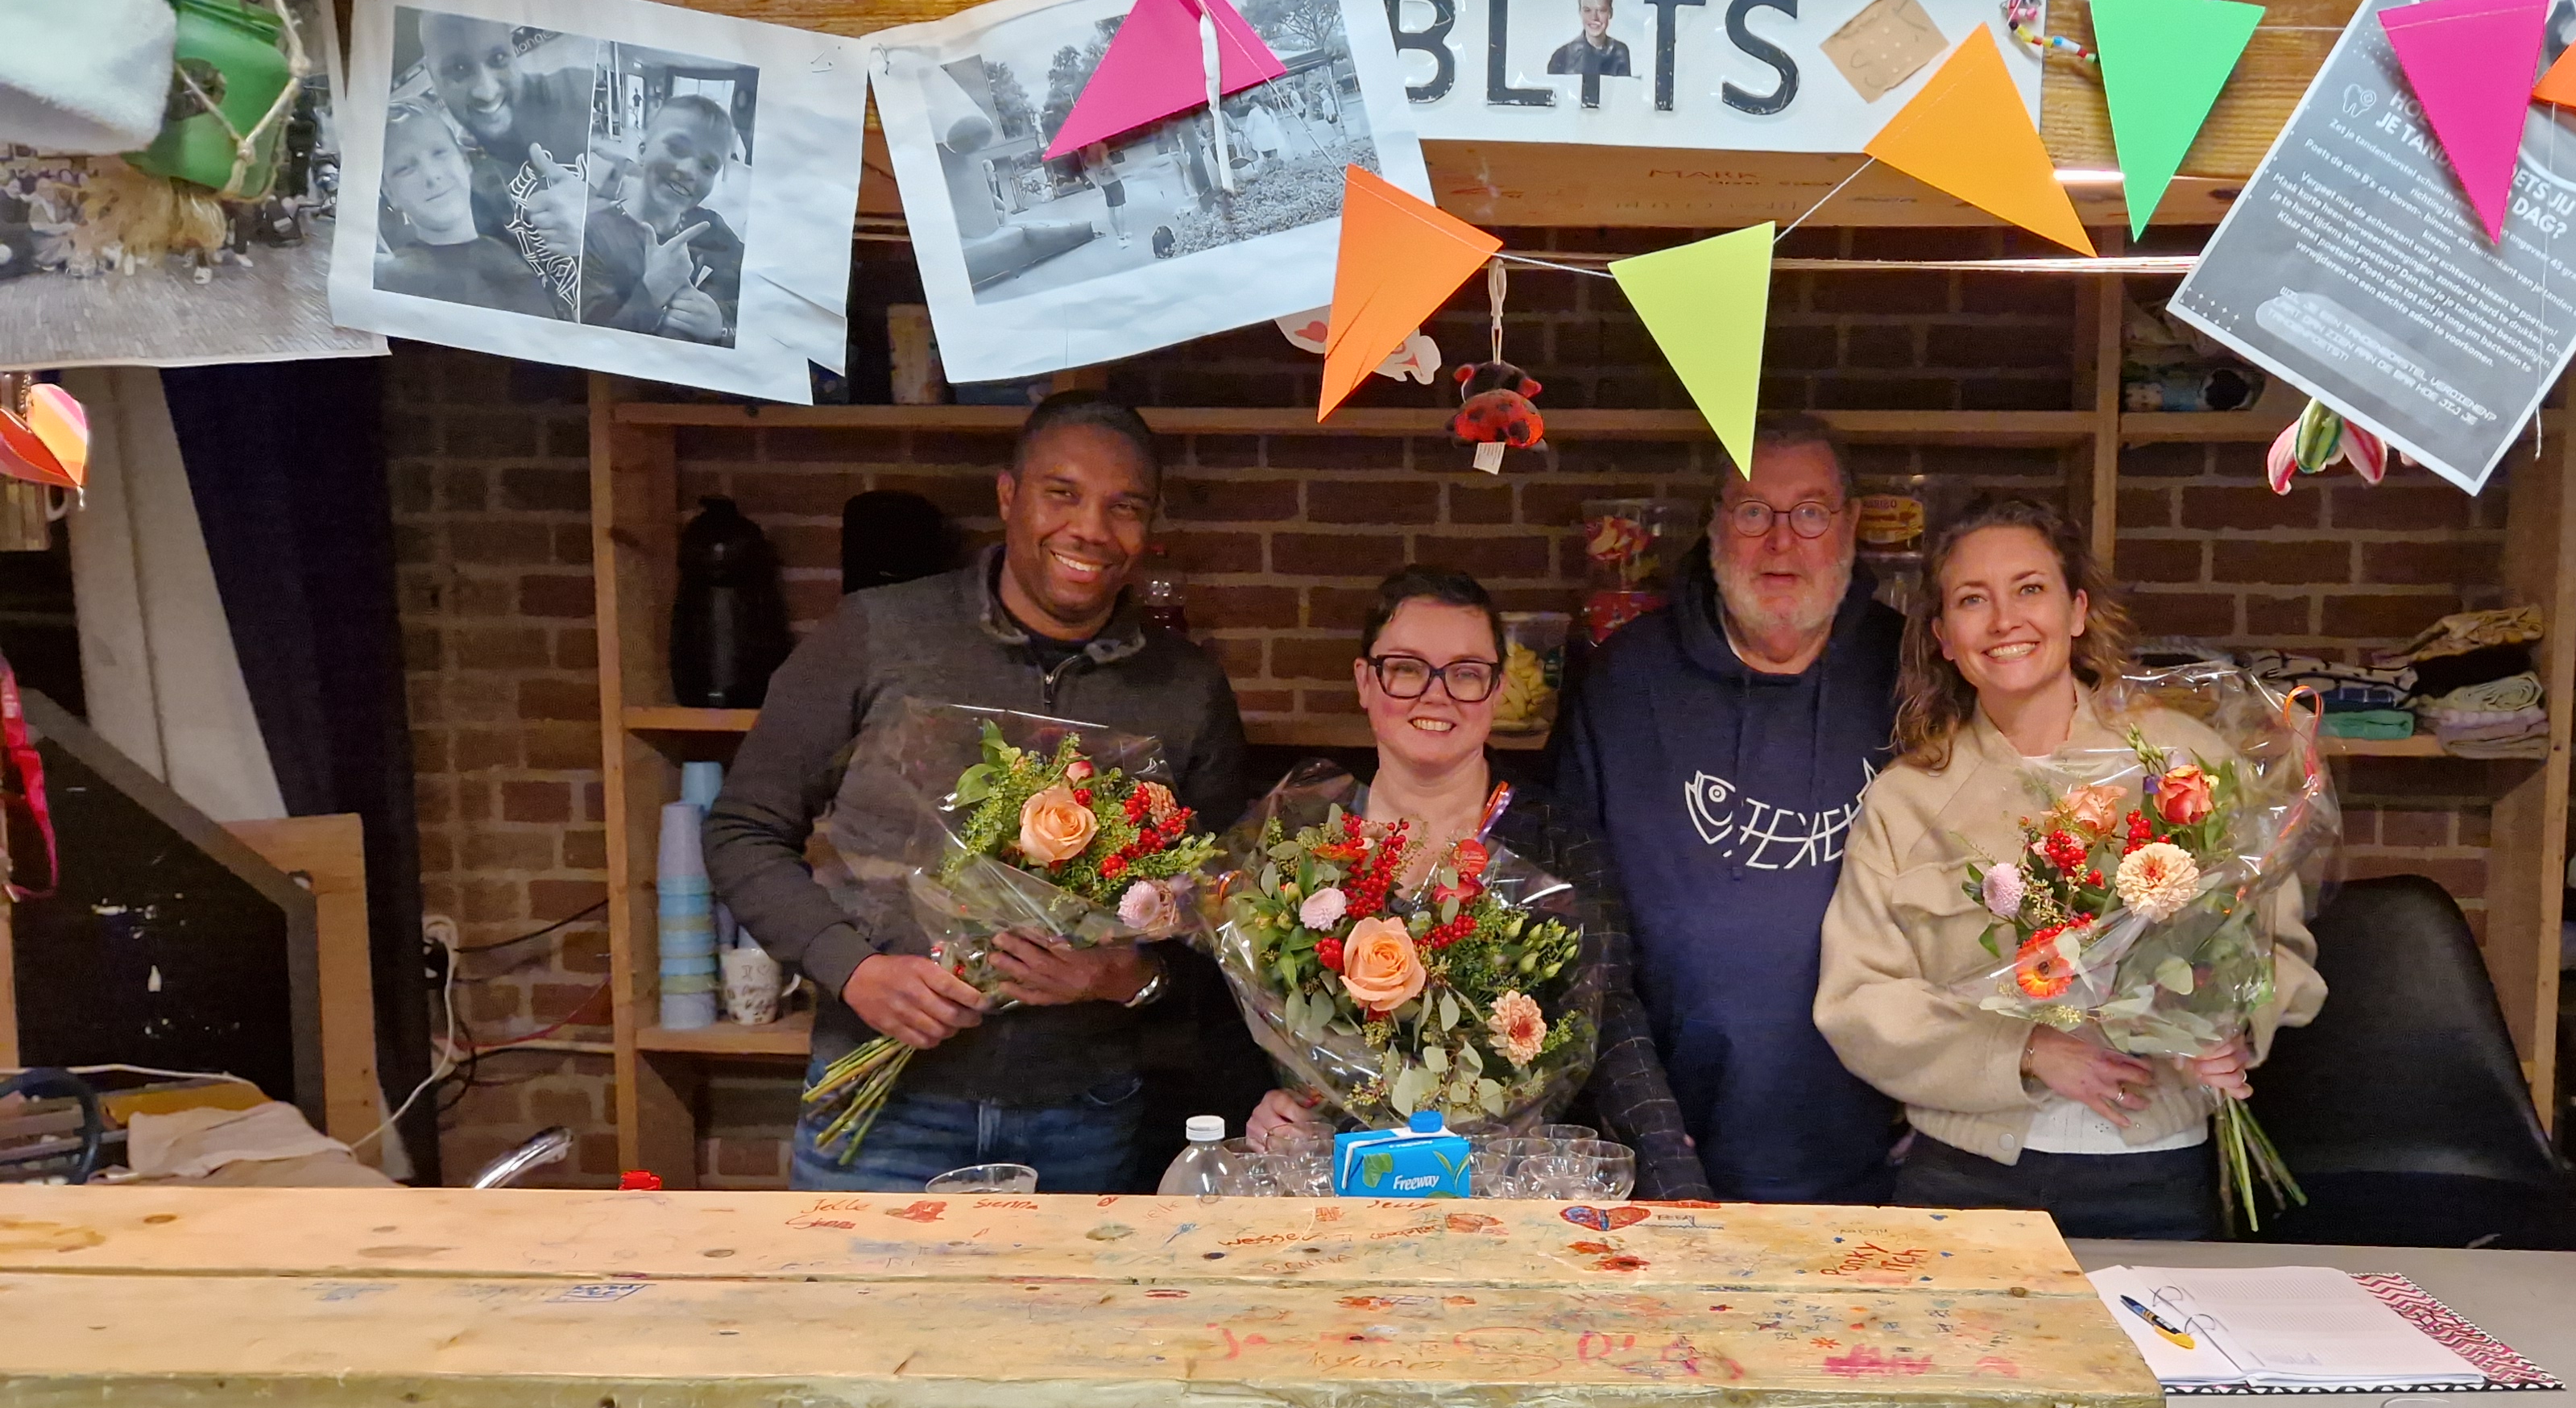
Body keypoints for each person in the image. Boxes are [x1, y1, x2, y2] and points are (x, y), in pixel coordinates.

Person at [704, 395, 1249, 1192]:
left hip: (1084, 1113)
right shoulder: (878, 633)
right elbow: (742, 829)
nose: (1091, 529)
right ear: (1007, 496)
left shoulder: (1185, 689)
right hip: (886, 1114)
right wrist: (854, 970)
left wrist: (1122, 976)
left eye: (1124, 507)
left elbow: (1221, 916)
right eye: (1062, 494)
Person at [1813, 495, 2322, 1240]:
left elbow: (2275, 944)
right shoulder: (1907, 800)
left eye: (2030, 589)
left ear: (2077, 610)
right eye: (1972, 600)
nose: (2004, 620)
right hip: (1967, 1174)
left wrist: (2230, 1029)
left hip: (2156, 1169)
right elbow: (1859, 1002)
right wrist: (2025, 1052)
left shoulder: (2183, 759)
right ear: (1944, 638)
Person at [1240, 567, 1708, 1196]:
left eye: (1465, 673)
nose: (1436, 695)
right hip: (1336, 1181)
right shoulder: (1300, 837)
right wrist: (1262, 1108)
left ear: (1497, 689)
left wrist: (1678, 1183)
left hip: (1513, 1189)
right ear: (1365, 681)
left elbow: (1611, 1024)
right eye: (1407, 668)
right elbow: (1244, 1027)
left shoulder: (1560, 841)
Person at [1551, 412, 1903, 1203]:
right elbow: (1577, 931)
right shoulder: (1623, 683)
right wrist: (1646, 1132)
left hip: (1887, 1155)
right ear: (1714, 524)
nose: (1780, 540)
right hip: (1668, 1156)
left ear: (1850, 524)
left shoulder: (1914, 670)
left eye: (1809, 512)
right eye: (1752, 511)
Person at [412, 11, 592, 284]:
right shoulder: (456, 180)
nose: (486, 92)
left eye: (498, 59)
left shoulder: (580, 93)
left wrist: (597, 224)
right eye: (458, 70)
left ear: (512, 49)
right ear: (432, 77)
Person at [371, 100, 565, 320]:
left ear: (465, 162)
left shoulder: (518, 250)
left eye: (439, 153)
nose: (431, 176)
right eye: (406, 168)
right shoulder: (392, 282)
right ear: (389, 193)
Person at [578, 95, 741, 344]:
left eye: (708, 167)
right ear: (642, 152)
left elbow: (754, 294)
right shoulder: (594, 233)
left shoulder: (709, 227)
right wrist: (652, 292)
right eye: (677, 148)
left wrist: (720, 326)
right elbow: (589, 341)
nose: (689, 170)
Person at [1547, 0, 1633, 87]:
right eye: (1587, 10)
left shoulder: (1620, 51)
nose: (1594, 17)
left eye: (1601, 10)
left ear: (1610, 13)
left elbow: (1624, 92)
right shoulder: (1562, 56)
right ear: (1580, 12)